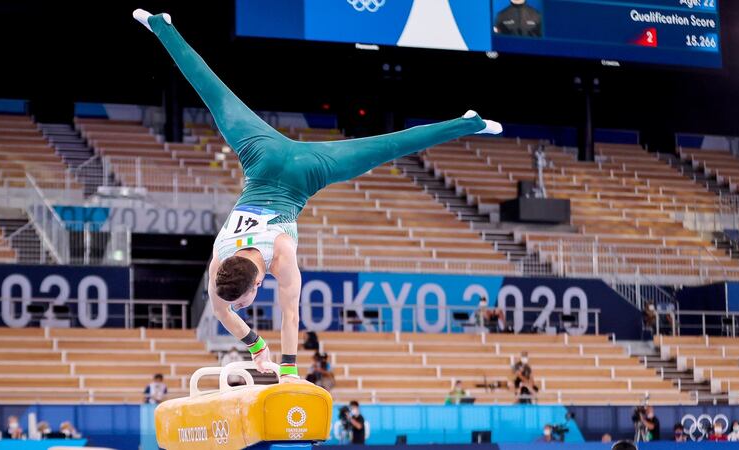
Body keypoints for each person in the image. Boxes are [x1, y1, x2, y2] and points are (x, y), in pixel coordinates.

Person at [133, 9, 502, 380]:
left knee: (388, 146)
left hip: (301, 172)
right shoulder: (225, 263)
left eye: (243, 302)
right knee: (215, 94)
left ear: (257, 284)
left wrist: (287, 368)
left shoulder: (280, 255)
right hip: (262, 158)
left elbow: (281, 314)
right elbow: (226, 308)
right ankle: (162, 25)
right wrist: (260, 350)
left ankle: (469, 123)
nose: (241, 306)